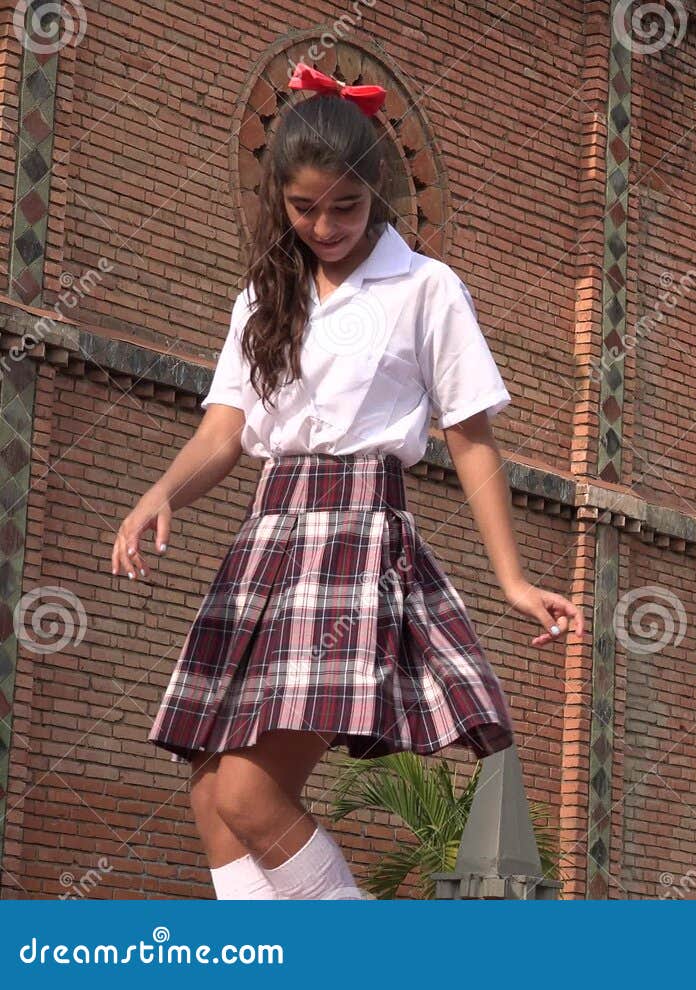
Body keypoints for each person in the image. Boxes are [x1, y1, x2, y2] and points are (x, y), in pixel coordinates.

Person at [108, 63, 582, 900]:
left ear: (377, 193)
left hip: (357, 541)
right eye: (304, 209)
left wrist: (511, 578)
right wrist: (160, 494)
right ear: (277, 203)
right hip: (270, 536)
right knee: (212, 793)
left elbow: (471, 439)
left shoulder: (426, 288)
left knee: (251, 792)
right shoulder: (260, 297)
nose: (325, 226)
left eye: (346, 207)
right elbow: (224, 433)